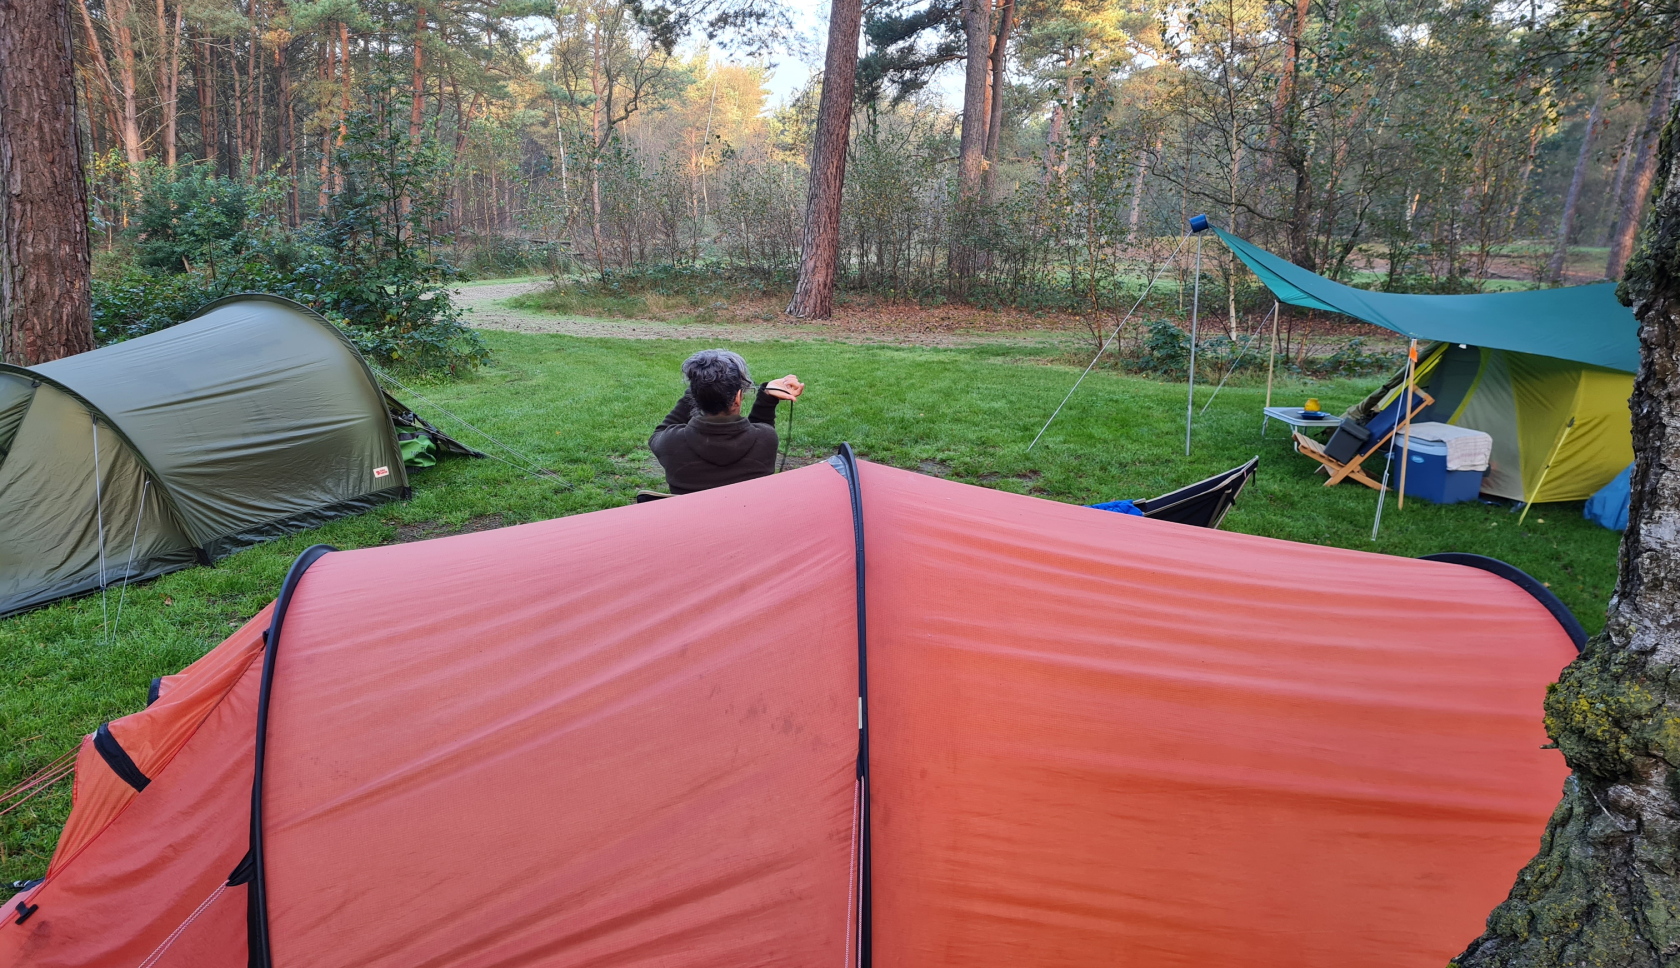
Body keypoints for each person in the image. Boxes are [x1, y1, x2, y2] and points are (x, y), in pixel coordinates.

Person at [648, 349, 805, 494]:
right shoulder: (767, 439)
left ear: (694, 397)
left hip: (693, 523)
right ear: (737, 397)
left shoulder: (671, 443)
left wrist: (702, 389)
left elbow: (658, 433)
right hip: (745, 523)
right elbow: (759, 432)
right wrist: (768, 398)